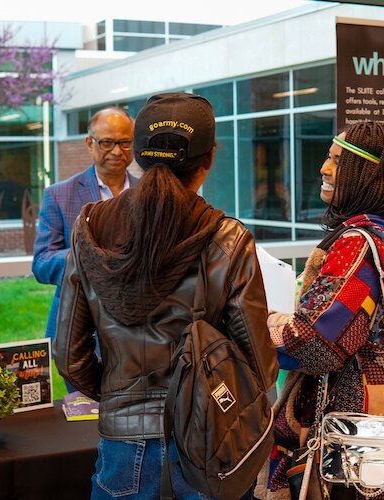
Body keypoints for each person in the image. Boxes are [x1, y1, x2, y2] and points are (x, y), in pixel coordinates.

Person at [52, 93, 278, 499]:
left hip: (122, 446)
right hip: (209, 444)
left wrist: (119, 399)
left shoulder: (90, 228)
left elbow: (69, 354)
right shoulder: (227, 238)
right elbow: (260, 365)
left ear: (137, 155)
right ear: (209, 158)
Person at [259, 121, 384, 499]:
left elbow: (314, 346)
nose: (324, 168)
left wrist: (258, 323)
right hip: (383, 425)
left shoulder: (356, 245)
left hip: (354, 435)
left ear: (367, 175)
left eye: (338, 161)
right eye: (328, 156)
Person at [32, 107, 138, 345]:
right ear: (89, 143)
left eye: (125, 142)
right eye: (107, 143)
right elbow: (41, 263)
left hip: (139, 329)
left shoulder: (150, 194)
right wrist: (86, 259)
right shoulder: (60, 195)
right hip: (79, 328)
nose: (117, 151)